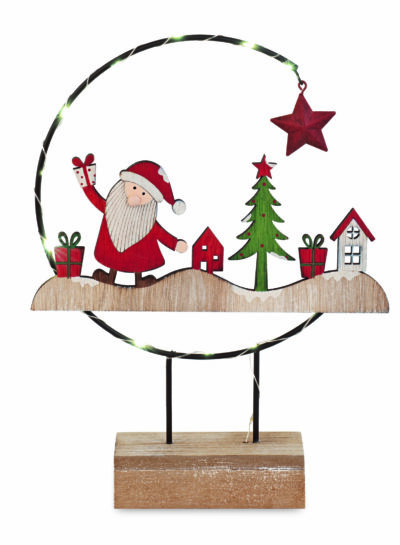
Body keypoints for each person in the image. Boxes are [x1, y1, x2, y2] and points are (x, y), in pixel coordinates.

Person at [74, 156, 187, 286]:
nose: (136, 197)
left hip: (140, 256)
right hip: (112, 252)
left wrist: (174, 244)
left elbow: (160, 233)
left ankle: (139, 280)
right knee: (113, 258)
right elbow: (94, 198)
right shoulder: (112, 208)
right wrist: (85, 177)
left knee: (139, 260)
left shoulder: (147, 221)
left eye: (144, 194)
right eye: (134, 188)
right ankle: (111, 277)